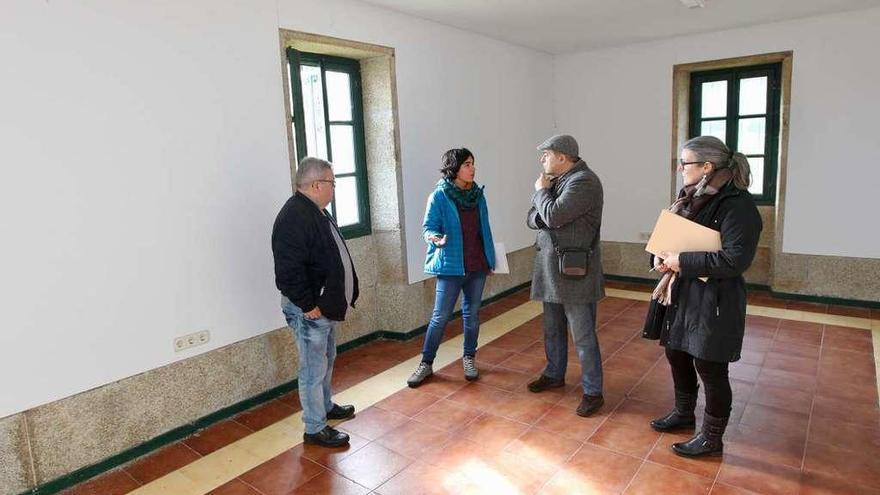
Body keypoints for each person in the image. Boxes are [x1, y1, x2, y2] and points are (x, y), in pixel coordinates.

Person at [648, 135, 762, 458]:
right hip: (683, 293)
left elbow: (734, 260)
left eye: (686, 163)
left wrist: (681, 261)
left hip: (715, 299)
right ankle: (684, 414)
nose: (681, 169)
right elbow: (672, 237)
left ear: (707, 167)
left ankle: (712, 438)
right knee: (677, 353)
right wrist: (659, 255)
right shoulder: (689, 197)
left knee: (710, 366)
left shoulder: (738, 206)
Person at [271, 157, 358, 448]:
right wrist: (309, 306)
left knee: (326, 360)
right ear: (317, 184)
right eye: (332, 183)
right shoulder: (294, 217)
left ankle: (325, 407)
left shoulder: (315, 211)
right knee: (312, 369)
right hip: (308, 311)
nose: (334, 188)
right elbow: (287, 272)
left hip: (323, 308)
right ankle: (314, 427)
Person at [526, 134, 606, 417]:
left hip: (574, 272)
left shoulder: (584, 181)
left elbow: (554, 216)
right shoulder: (555, 183)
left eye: (546, 154)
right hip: (551, 270)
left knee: (583, 336)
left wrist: (540, 194)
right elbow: (532, 218)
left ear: (562, 157)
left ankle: (593, 391)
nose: (542, 159)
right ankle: (554, 373)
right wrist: (544, 206)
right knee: (552, 329)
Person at [407, 148, 496, 387]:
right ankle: (426, 363)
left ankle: (469, 358)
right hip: (450, 267)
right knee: (440, 317)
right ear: (454, 168)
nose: (472, 168)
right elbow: (428, 228)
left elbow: (484, 230)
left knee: (472, 316)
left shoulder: (478, 195)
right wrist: (435, 238)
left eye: (473, 163)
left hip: (477, 265)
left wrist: (491, 258)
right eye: (467, 164)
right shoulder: (439, 196)